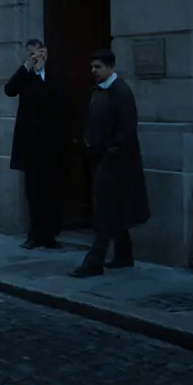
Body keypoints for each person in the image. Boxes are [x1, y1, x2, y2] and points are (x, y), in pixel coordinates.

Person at [71, 49, 151, 278]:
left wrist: (111, 153)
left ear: (111, 67)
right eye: (92, 67)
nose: (93, 71)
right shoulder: (99, 90)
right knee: (115, 208)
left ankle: (94, 260)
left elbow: (127, 129)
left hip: (116, 162)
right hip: (101, 159)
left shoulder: (121, 92)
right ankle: (124, 255)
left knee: (105, 211)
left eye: (98, 67)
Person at [4, 38, 71, 249]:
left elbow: (58, 100)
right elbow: (9, 89)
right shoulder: (25, 76)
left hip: (51, 146)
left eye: (38, 53)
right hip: (30, 146)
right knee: (33, 193)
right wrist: (27, 67)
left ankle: (50, 235)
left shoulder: (55, 75)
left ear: (45, 53)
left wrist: (43, 73)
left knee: (52, 192)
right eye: (31, 54)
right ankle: (35, 234)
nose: (36, 57)